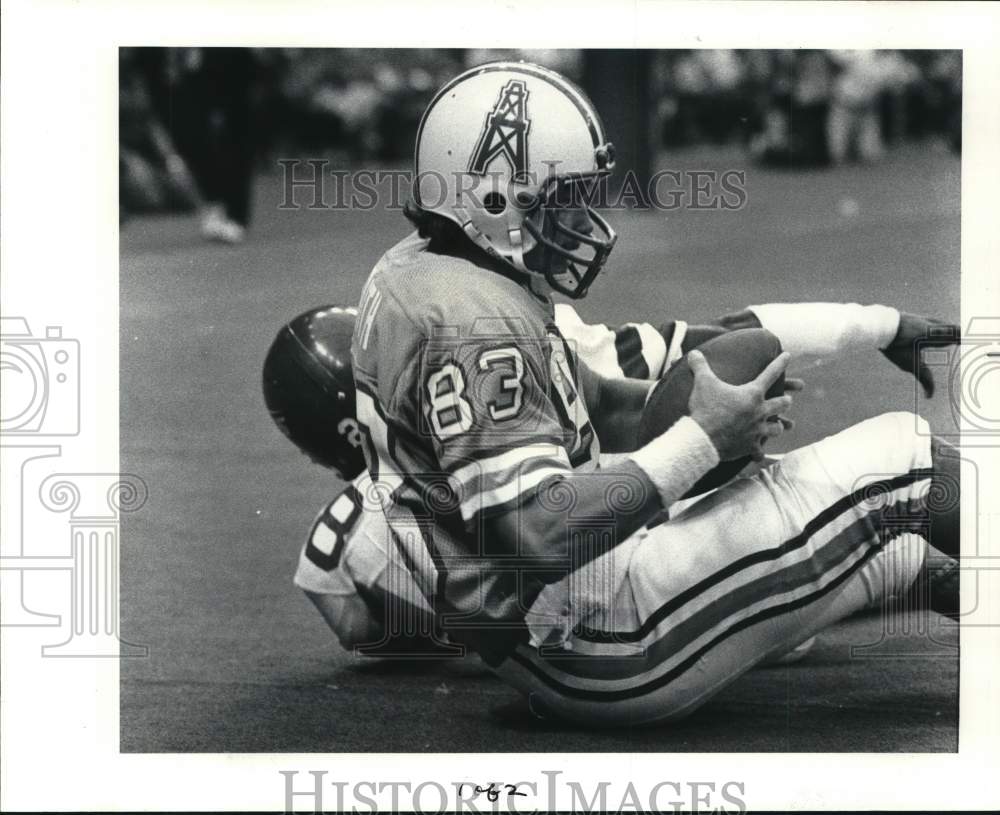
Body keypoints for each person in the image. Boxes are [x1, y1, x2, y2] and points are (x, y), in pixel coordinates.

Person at [349, 61, 961, 725]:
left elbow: (596, 404)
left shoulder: (428, 268)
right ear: (493, 197)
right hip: (603, 633)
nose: (582, 216)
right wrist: (702, 440)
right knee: (906, 457)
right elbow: (537, 531)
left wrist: (689, 414)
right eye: (561, 197)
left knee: (892, 553)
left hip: (557, 621)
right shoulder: (473, 323)